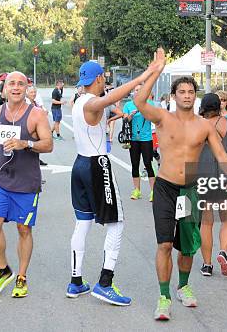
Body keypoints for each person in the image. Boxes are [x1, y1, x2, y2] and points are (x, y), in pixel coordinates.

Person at [134, 49, 227, 321]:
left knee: (187, 248)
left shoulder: (204, 126)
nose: (187, 95)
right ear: (174, 95)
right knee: (165, 245)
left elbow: (222, 154)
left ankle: (184, 285)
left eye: (191, 91)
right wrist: (156, 71)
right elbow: (139, 100)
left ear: (196, 95)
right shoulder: (162, 118)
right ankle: (164, 296)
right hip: (166, 188)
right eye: (182, 91)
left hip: (190, 190)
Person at [67, 61, 156, 306]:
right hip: (96, 165)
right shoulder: (92, 101)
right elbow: (108, 100)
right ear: (98, 79)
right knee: (116, 223)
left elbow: (98, 116)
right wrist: (144, 76)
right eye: (104, 78)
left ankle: (76, 282)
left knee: (82, 223)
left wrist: (112, 116)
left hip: (80, 163)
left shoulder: (79, 101)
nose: (105, 81)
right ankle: (105, 283)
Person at [0, 71, 53, 298]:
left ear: (26, 87)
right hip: (0, 178)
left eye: (21, 83)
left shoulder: (36, 114)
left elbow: (48, 144)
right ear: (4, 88)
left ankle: (21, 276)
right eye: (12, 83)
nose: (16, 87)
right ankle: (3, 269)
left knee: (23, 228)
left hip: (27, 182)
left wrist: (25, 143)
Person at [197, 93, 227, 278]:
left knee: (206, 223)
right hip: (226, 175)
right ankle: (223, 252)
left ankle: (207, 265)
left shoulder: (197, 125)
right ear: (219, 106)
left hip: (202, 175)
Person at [123, 84, 156, 201]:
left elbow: (154, 118)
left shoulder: (150, 104)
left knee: (148, 163)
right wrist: (131, 115)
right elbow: (125, 119)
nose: (138, 92)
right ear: (133, 92)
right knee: (135, 164)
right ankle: (137, 190)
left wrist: (143, 108)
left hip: (146, 138)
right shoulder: (128, 105)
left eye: (140, 90)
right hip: (133, 139)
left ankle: (153, 191)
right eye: (136, 90)